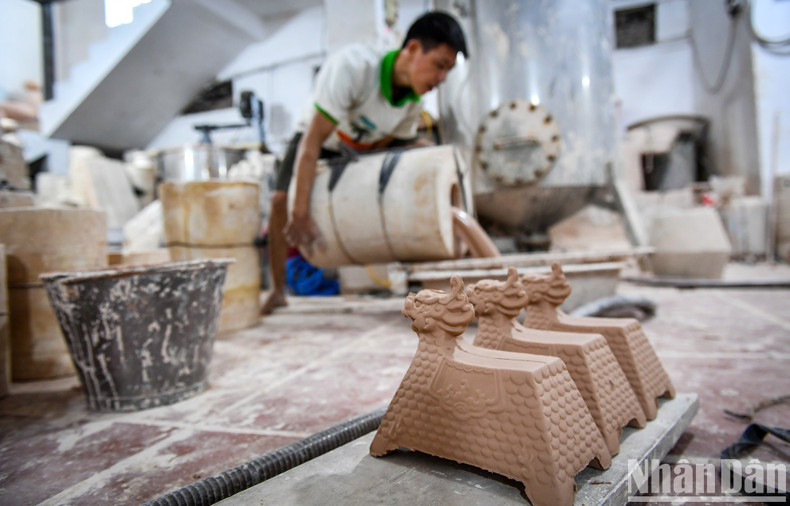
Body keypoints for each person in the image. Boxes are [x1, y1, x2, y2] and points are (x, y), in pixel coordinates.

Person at [260, 11, 468, 315]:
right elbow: (312, 142)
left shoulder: (412, 104)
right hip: (318, 139)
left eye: (448, 71)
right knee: (280, 201)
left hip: (361, 146)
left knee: (422, 150)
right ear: (412, 50)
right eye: (439, 65)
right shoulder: (354, 68)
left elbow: (384, 147)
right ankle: (278, 290)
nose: (441, 79)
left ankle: (424, 284)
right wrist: (300, 210)